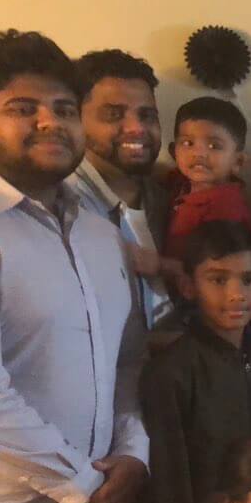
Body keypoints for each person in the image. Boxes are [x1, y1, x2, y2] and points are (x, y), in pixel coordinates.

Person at [0, 29, 149, 503]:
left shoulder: (101, 234)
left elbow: (127, 358)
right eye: (23, 108)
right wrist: (81, 485)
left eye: (63, 108)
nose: (49, 122)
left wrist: (133, 452)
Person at [141, 220, 251, 503]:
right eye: (218, 280)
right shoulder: (171, 372)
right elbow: (171, 481)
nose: (237, 294)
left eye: (248, 280)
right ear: (188, 287)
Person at [68, 49, 173, 330]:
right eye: (114, 115)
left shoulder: (169, 200)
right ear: (76, 118)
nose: (137, 128)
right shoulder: (64, 210)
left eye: (147, 115)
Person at [164, 97, 251, 267]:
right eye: (188, 143)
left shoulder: (227, 209)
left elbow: (219, 269)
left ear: (238, 162)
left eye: (214, 146)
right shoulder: (178, 183)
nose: (198, 153)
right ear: (174, 151)